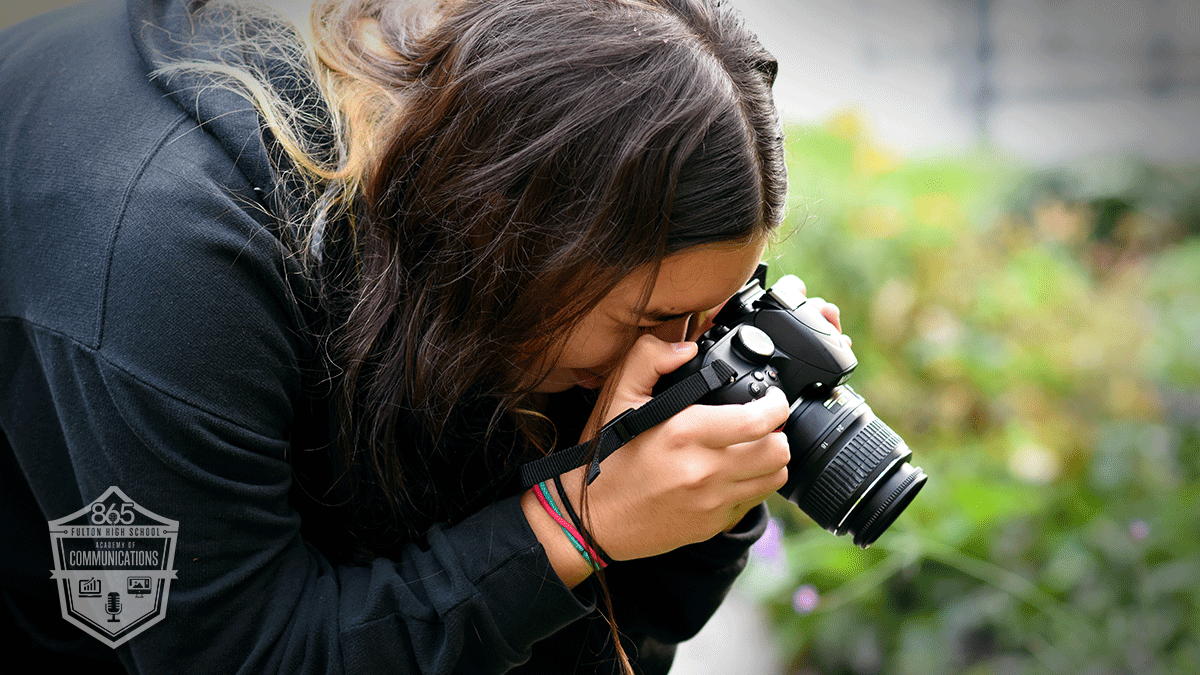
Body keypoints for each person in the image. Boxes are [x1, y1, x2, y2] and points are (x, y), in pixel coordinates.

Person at [0, 0, 844, 672]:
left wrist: (709, 474)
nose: (680, 353)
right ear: (525, 244)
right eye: (656, 322)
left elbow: (613, 636)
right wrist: (574, 523)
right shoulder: (171, 267)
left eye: (714, 316)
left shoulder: (457, 226)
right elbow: (239, 653)